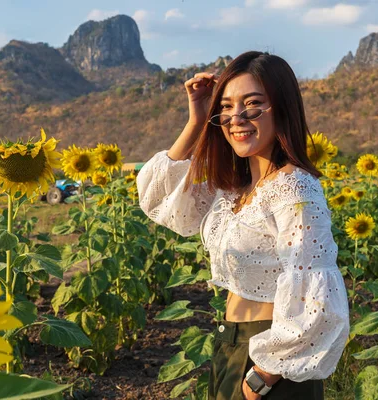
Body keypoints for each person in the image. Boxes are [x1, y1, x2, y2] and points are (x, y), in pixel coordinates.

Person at [136, 51, 350, 400]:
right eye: (227, 107)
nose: (237, 118)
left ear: (282, 108)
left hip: (273, 360)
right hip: (231, 346)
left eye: (252, 104)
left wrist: (264, 374)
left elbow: (318, 293)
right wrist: (196, 121)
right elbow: (157, 199)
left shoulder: (294, 188)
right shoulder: (233, 189)